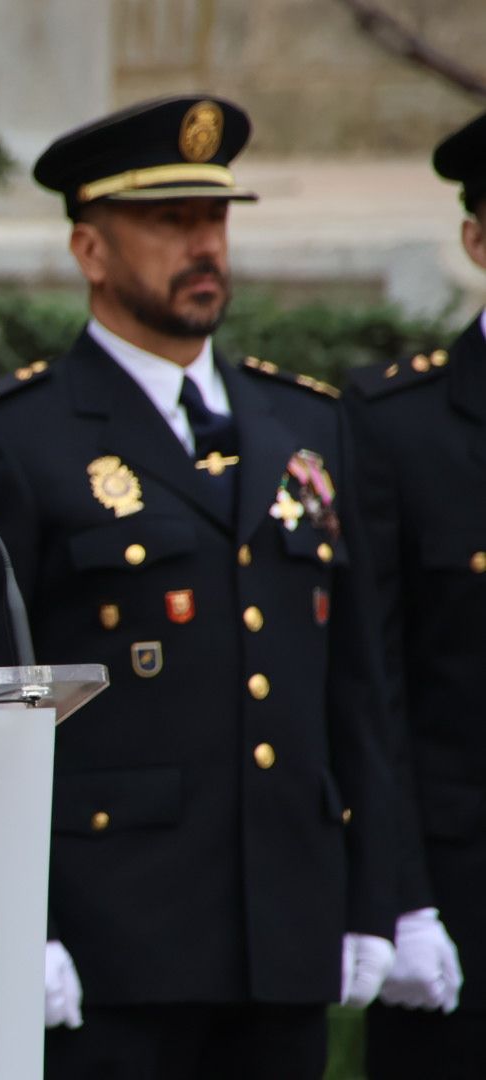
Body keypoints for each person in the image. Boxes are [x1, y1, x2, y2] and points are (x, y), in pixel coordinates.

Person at [0, 96, 404, 1077]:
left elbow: (356, 688)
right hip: (111, 952)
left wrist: (378, 892)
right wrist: (11, 918)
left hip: (284, 943)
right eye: (170, 222)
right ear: (91, 249)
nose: (204, 245)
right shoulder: (9, 442)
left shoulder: (302, 423)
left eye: (214, 219)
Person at [342, 108, 486, 1079]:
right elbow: (371, 682)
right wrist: (397, 899)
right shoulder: (399, 425)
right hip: (464, 902)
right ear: (476, 239)